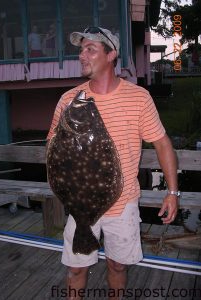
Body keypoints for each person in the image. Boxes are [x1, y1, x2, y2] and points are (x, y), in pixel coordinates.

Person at [46, 27, 179, 300]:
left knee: (118, 264)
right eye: (81, 49)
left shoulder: (139, 97)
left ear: (111, 55)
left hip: (124, 202)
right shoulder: (67, 100)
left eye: (90, 49)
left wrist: (172, 192)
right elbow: (51, 147)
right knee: (75, 268)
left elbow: (163, 143)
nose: (82, 55)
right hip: (80, 203)